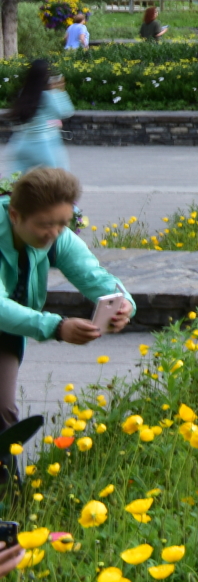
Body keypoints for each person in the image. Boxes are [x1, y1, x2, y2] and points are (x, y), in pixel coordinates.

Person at [0, 166, 133, 458]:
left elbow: (93, 276)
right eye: (45, 224)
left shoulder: (58, 236)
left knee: (3, 412)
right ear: (14, 215)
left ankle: (9, 496)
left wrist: (122, 303)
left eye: (63, 223)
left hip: (5, 332)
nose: (54, 233)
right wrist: (57, 327)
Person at [5, 62, 71, 176]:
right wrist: (60, 89)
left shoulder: (24, 93)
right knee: (59, 180)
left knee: (13, 181)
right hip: (43, 145)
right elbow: (65, 111)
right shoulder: (48, 96)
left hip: (22, 144)